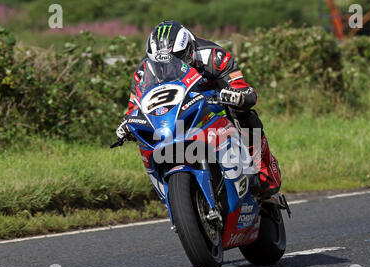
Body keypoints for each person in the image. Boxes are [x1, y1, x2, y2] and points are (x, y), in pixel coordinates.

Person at [116, 20, 281, 198]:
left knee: (244, 113)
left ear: (189, 49)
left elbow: (243, 90)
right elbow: (135, 107)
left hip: (214, 106)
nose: (170, 65)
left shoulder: (214, 56)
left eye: (178, 58)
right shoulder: (143, 71)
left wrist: (237, 96)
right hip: (174, 115)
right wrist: (129, 123)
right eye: (161, 63)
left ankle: (262, 170)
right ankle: (168, 191)